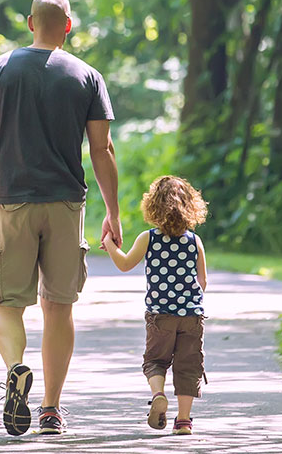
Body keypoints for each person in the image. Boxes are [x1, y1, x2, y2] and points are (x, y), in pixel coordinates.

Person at [0, 0, 120, 436]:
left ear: (30, 23)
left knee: (5, 302)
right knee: (59, 306)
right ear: (68, 25)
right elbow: (102, 149)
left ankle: (15, 368)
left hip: (11, 201)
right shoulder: (88, 76)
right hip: (67, 204)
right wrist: (114, 213)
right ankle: (50, 409)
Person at [102, 176, 209, 435]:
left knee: (155, 361)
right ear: (190, 207)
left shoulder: (148, 238)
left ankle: (158, 394)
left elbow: (125, 264)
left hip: (160, 315)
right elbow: (202, 281)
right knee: (188, 367)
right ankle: (183, 421)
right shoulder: (194, 241)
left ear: (153, 206)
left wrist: (108, 244)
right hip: (192, 316)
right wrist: (188, 300)